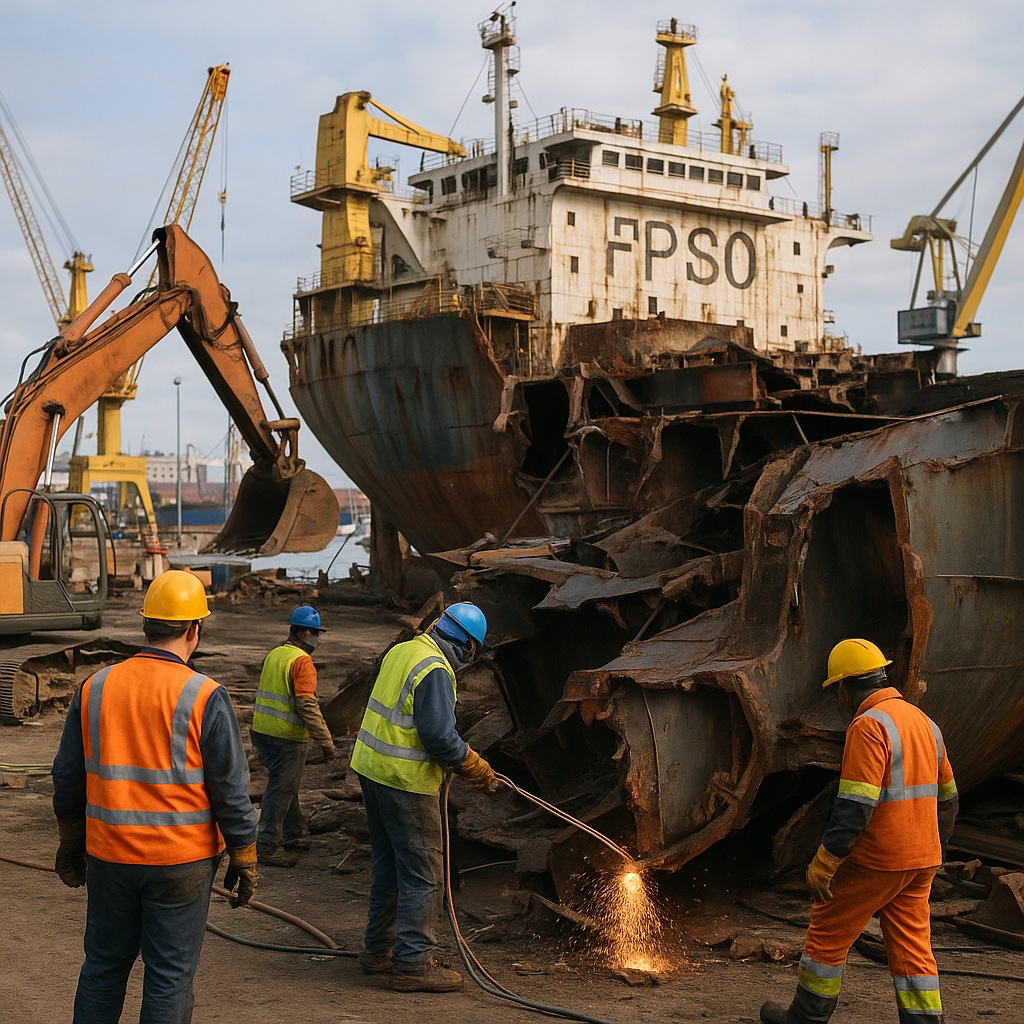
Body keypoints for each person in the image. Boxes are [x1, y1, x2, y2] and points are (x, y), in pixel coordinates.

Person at [51, 569, 258, 1023]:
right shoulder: (205, 695)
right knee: (168, 979)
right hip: (180, 863)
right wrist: (245, 854)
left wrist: (70, 840)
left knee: (103, 968)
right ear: (193, 630)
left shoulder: (95, 686)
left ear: (146, 625)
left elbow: (66, 776)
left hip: (109, 857)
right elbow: (230, 790)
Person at [760, 638, 959, 1024]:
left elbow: (855, 804)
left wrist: (826, 860)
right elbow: (949, 798)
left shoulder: (868, 726)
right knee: (913, 947)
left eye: (837, 691)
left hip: (879, 860)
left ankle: (804, 1020)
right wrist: (937, 848)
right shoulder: (925, 723)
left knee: (827, 934)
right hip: (921, 862)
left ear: (844, 687)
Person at [350, 601, 499, 993]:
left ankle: (378, 950)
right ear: (468, 645)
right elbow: (438, 738)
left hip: (371, 770)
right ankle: (413, 964)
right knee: (423, 874)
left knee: (388, 868)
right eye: (474, 650)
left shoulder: (404, 650)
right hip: (404, 781)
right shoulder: (435, 670)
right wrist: (474, 765)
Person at [250, 604, 337, 867]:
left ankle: (294, 831)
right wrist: (326, 742)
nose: (316, 639)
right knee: (282, 787)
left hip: (262, 731)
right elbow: (306, 705)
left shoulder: (276, 654)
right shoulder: (302, 662)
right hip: (286, 737)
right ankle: (266, 845)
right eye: (313, 633)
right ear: (300, 634)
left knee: (288, 784)